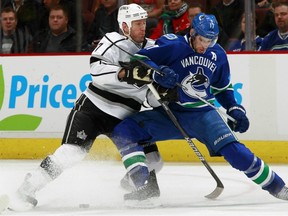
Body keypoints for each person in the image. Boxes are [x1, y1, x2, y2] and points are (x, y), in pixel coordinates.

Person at [111, 13, 288, 205]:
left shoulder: (217, 54)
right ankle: (142, 187)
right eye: (203, 40)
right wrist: (157, 72)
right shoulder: (173, 45)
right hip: (172, 115)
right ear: (193, 33)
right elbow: (139, 59)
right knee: (124, 131)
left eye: (211, 41)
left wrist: (234, 108)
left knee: (237, 154)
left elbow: (222, 87)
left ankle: (279, 188)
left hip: (204, 115)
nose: (205, 46)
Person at [6, 3, 164, 211]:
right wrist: (125, 73)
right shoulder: (111, 41)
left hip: (126, 117)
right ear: (124, 26)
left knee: (155, 160)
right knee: (70, 153)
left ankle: (135, 187)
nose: (142, 27)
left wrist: (163, 91)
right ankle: (28, 188)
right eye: (136, 23)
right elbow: (96, 69)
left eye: (143, 23)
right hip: (93, 109)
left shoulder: (154, 50)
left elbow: (150, 97)